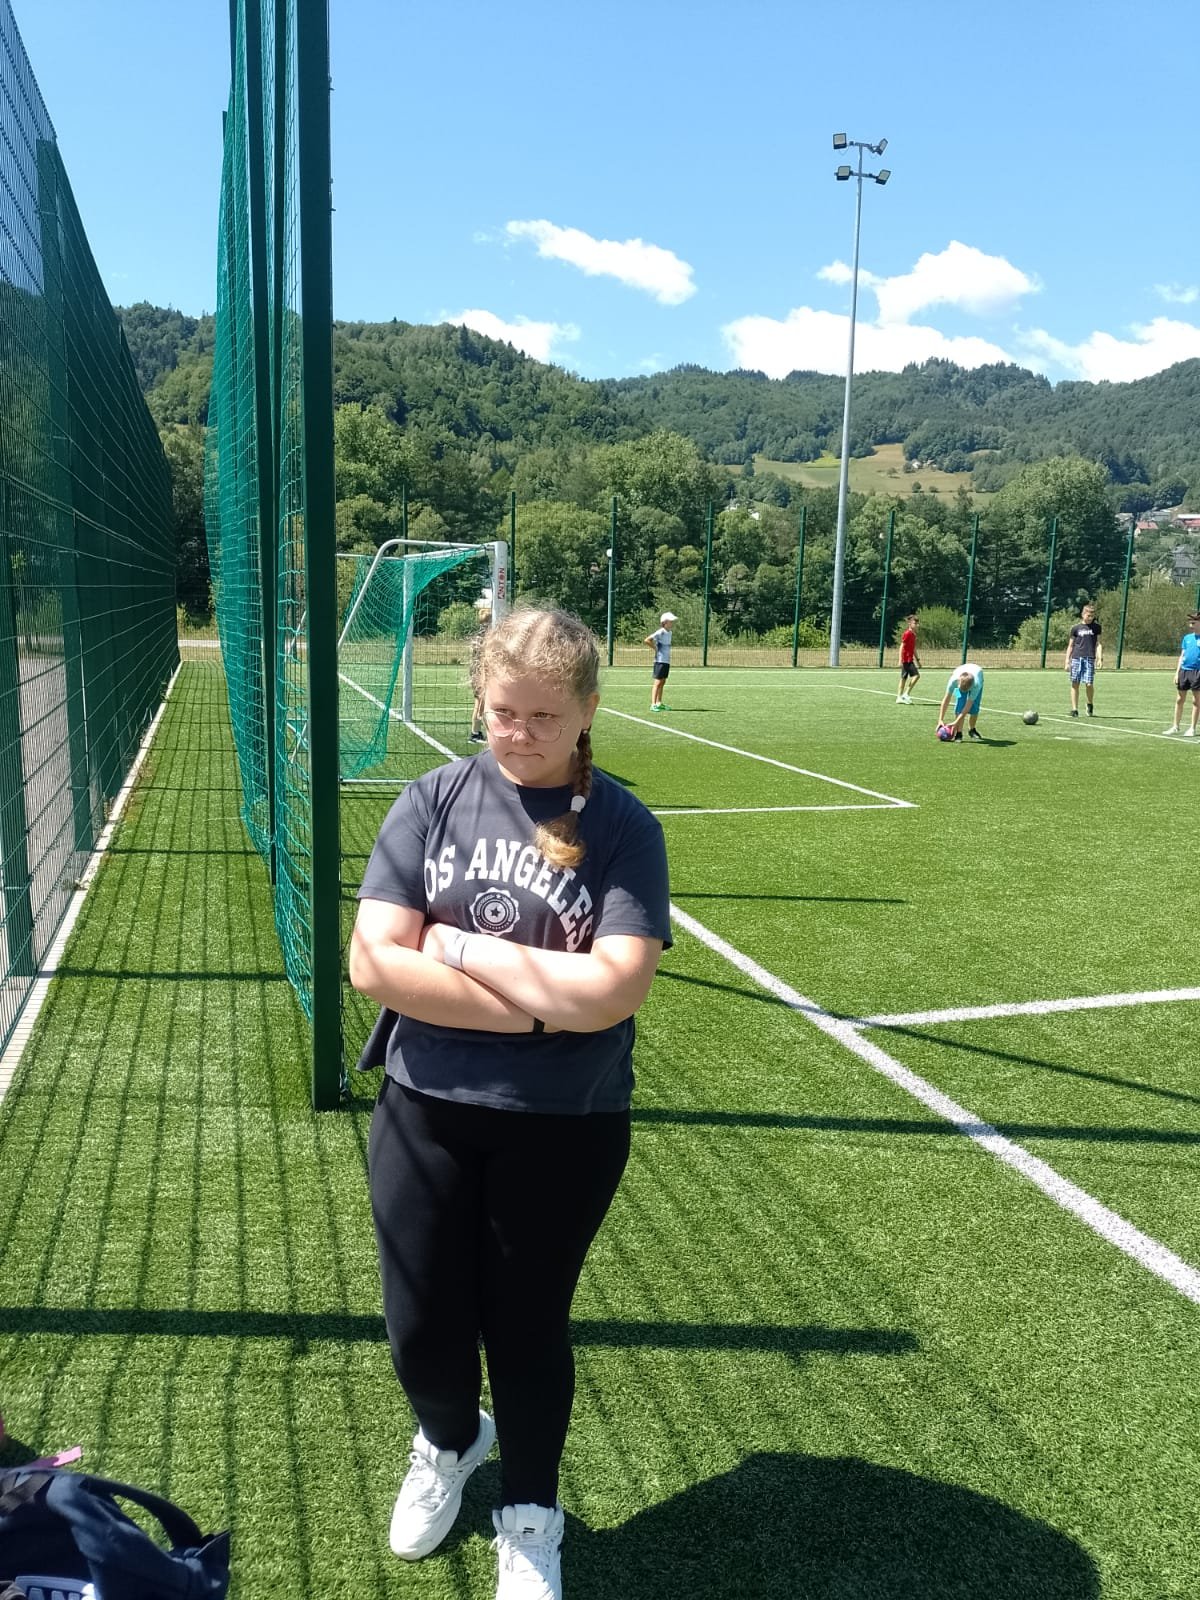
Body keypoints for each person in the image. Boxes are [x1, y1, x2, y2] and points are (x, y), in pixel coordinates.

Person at [350, 606, 671, 1600]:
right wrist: (541, 1008)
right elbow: (374, 964)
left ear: (588, 710)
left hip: (565, 1124)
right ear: (479, 700)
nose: (520, 733)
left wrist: (458, 948)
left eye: (544, 716)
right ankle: (450, 1440)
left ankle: (530, 1515)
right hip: (424, 1106)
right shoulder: (433, 800)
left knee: (526, 1326)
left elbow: (613, 992)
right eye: (503, 711)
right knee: (420, 1325)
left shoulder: (622, 827)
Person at [1164, 611, 1200, 736]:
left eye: (1193, 623)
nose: (1191, 625)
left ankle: (1192, 728)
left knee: (1196, 701)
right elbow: (1182, 656)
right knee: (1179, 699)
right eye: (1190, 623)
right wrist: (1177, 673)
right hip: (1184, 671)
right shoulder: (1187, 638)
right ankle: (1175, 726)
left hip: (1197, 672)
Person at [1064, 603, 1102, 717]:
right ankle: (1074, 709)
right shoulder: (1075, 628)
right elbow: (1070, 646)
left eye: (1092, 616)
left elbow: (1098, 643)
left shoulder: (1096, 627)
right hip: (1076, 658)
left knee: (1089, 684)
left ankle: (1089, 703)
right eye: (1088, 615)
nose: (1090, 618)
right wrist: (1067, 661)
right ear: (1083, 614)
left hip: (1089, 658)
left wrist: (1100, 658)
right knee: (1075, 683)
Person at [467, 593, 495, 742]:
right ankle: (477, 733)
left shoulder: (481, 636)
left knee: (480, 703)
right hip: (480, 673)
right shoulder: (482, 638)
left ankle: (476, 732)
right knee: (481, 704)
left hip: (479, 672)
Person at [937, 662, 985, 741]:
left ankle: (972, 729)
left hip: (978, 673)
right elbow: (946, 700)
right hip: (958, 681)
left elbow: (967, 707)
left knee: (974, 708)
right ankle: (959, 733)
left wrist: (956, 722)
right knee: (960, 704)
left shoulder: (976, 685)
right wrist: (940, 719)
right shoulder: (954, 682)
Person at [644, 611, 677, 711]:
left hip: (666, 661)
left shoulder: (669, 632)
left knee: (663, 681)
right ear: (665, 622)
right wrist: (655, 648)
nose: (672, 623)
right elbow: (647, 640)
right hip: (659, 661)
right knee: (657, 683)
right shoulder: (661, 632)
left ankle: (659, 703)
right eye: (670, 621)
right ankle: (653, 704)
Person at [895, 614, 921, 703]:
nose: (917, 625)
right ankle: (905, 694)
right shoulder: (907, 633)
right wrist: (900, 660)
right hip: (906, 659)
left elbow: (913, 648)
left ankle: (899, 697)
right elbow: (902, 646)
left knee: (903, 678)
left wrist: (918, 660)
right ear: (910, 624)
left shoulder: (913, 634)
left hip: (909, 659)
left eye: (917, 623)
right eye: (915, 623)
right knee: (916, 676)